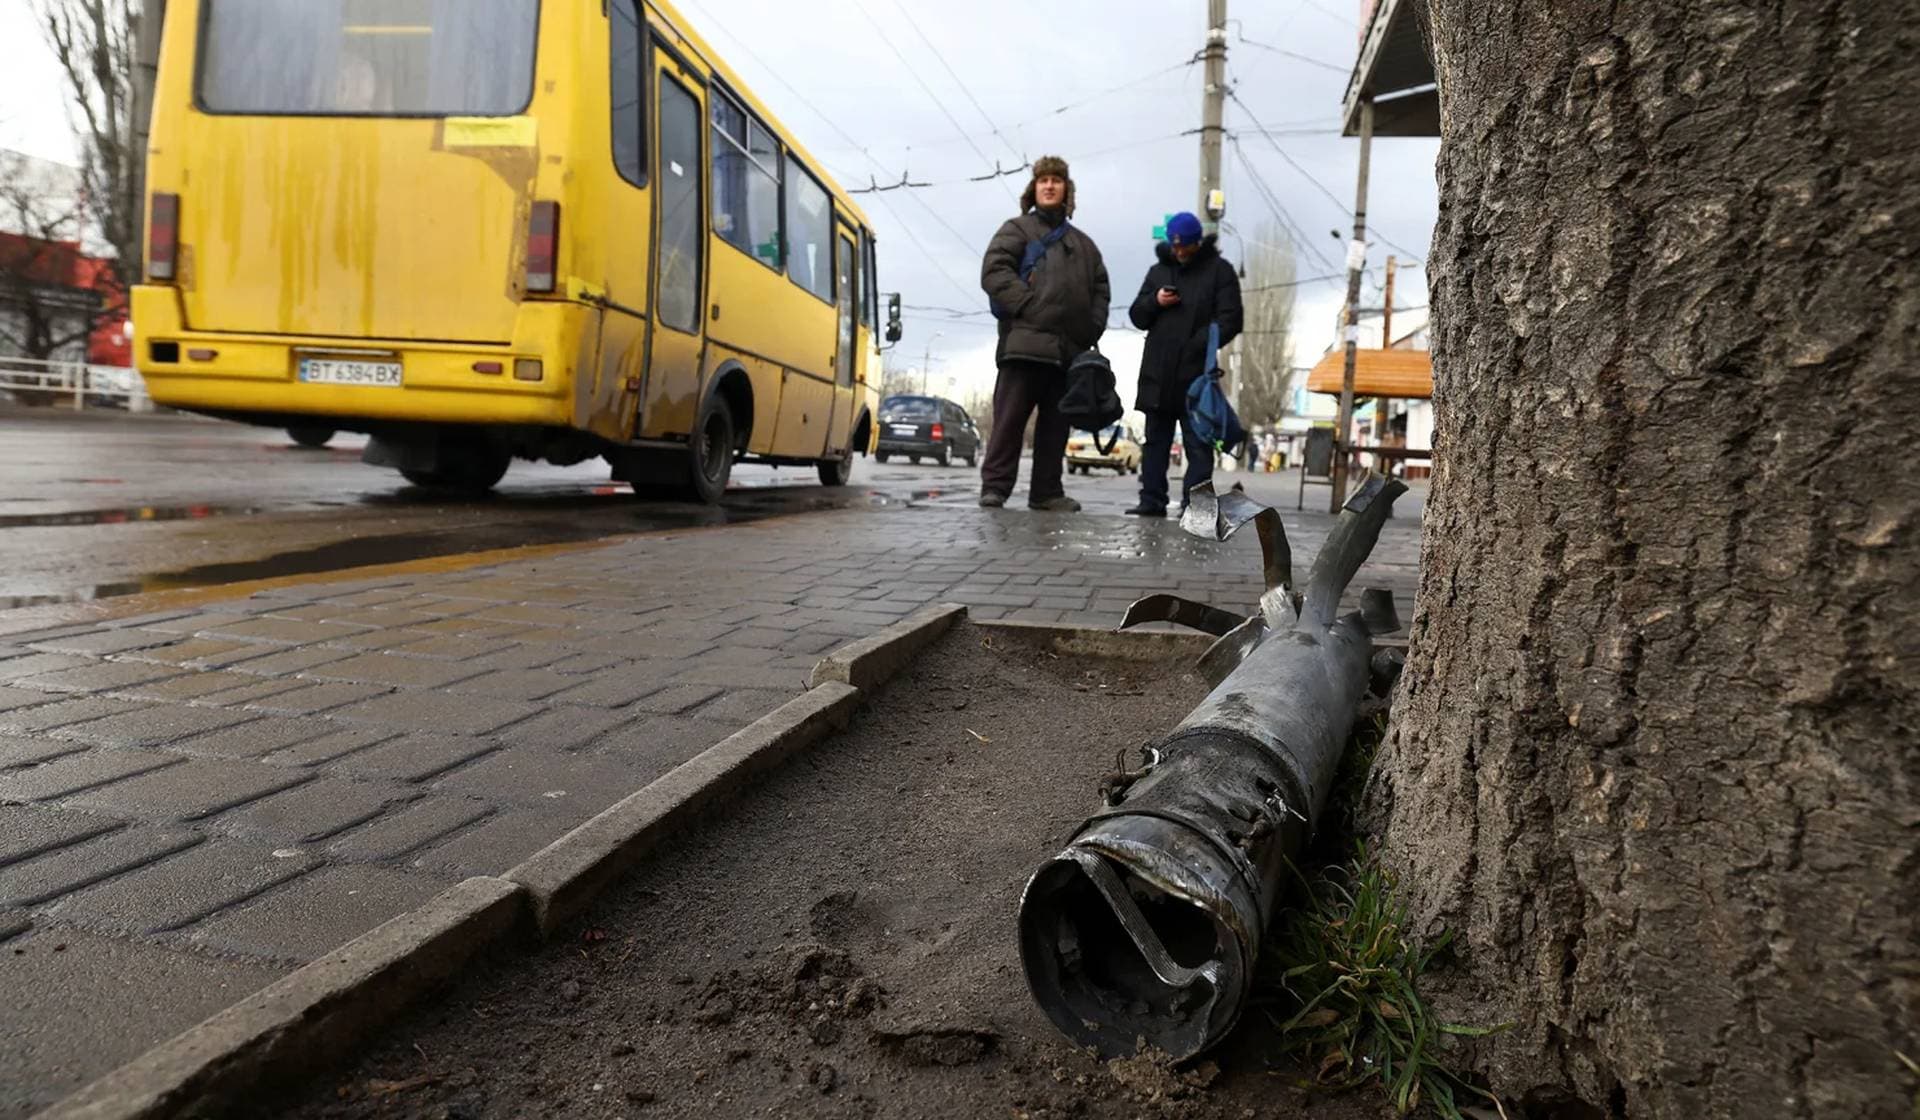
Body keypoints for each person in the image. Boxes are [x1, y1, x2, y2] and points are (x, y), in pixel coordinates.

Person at [977, 156, 1111, 511]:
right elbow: (994, 271)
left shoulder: (1085, 246)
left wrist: (1088, 329)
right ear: (1033, 189)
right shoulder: (1017, 229)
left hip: (1068, 354)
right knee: (1008, 423)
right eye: (1043, 180)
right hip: (1023, 346)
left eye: (1056, 180)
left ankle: (1047, 492)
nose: (1049, 185)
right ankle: (995, 488)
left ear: (1067, 190)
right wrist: (1027, 304)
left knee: (1055, 429)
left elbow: (1101, 292)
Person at [1125, 211, 1243, 516]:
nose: (1179, 252)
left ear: (1197, 243)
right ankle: (1151, 500)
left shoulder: (1220, 272)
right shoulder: (1158, 272)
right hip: (1157, 374)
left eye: (1185, 246)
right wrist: (1155, 301)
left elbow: (1232, 319)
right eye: (1175, 246)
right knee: (1155, 444)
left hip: (1196, 377)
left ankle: (1196, 506)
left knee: (1199, 444)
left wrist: (1199, 344)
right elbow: (1137, 316)